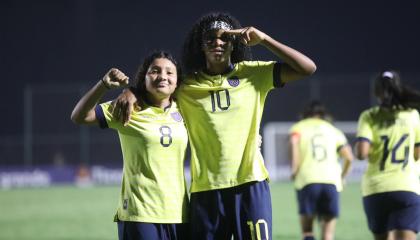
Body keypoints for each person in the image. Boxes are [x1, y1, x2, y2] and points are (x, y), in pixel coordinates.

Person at [113, 12, 316, 239]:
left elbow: (307, 68)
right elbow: (158, 86)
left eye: (225, 38)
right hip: (206, 191)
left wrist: (265, 39)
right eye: (210, 39)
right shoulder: (186, 86)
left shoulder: (254, 74)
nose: (217, 43)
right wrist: (132, 91)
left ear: (234, 44)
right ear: (201, 46)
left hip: (250, 185)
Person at [70, 51, 189, 240]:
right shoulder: (128, 107)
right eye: (155, 71)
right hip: (140, 214)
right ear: (144, 77)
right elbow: (79, 116)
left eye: (169, 72)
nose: (162, 76)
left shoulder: (186, 108)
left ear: (177, 80)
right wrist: (103, 85)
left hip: (180, 214)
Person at [355, 70, 420, 240]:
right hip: (406, 187)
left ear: (376, 92)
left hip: (375, 189)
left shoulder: (369, 116)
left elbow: (362, 153)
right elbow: (417, 154)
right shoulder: (413, 116)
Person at [289, 101, 353, 240]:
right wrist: (342, 176)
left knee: (307, 232)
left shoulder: (298, 128)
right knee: (328, 234)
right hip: (331, 181)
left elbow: (295, 152)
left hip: (307, 180)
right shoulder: (333, 130)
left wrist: (294, 172)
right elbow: (349, 157)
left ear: (306, 114)